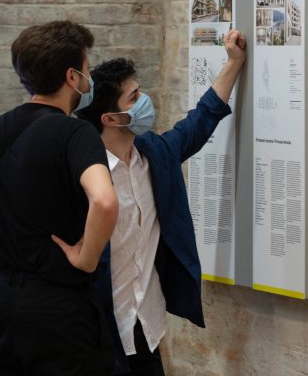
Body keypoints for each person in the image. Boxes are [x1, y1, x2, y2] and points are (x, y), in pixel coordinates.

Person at [0, 20, 119, 376]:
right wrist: (85, 258)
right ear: (71, 77)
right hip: (62, 312)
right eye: (86, 69)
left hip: (7, 310)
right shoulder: (75, 132)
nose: (88, 78)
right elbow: (105, 201)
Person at [76, 29, 247, 375]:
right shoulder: (84, 176)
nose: (145, 101)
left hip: (146, 323)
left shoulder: (155, 155)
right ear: (110, 119)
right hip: (100, 330)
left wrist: (234, 63)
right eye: (134, 97)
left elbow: (201, 120)